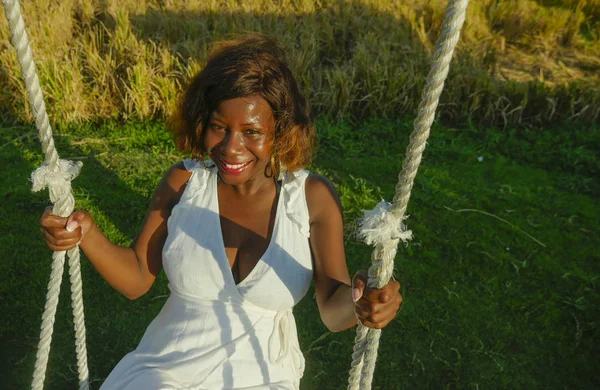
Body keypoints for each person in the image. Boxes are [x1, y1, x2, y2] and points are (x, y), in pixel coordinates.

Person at [39, 34, 402, 390]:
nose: (231, 147)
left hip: (264, 376)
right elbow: (137, 278)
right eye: (219, 127)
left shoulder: (311, 197)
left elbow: (331, 310)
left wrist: (362, 302)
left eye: (252, 131)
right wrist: (84, 231)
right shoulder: (185, 182)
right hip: (166, 371)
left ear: (281, 130)